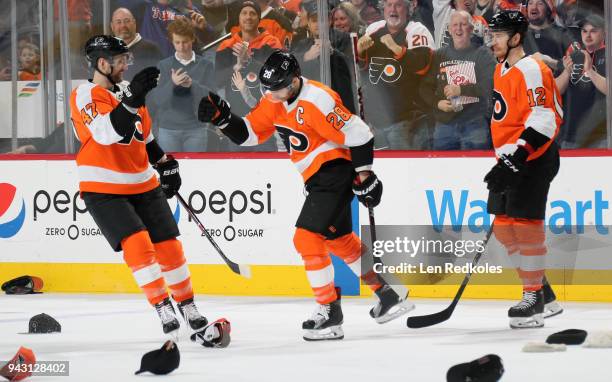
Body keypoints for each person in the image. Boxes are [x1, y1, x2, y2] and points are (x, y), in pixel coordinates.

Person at [198, 50, 414, 341]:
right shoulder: (274, 100)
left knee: (306, 238)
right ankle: (388, 293)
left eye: (277, 89)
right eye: (268, 90)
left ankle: (329, 312)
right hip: (318, 180)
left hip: (334, 172)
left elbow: (360, 133)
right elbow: (249, 133)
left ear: (294, 80)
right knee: (339, 240)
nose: (271, 95)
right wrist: (223, 118)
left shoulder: (318, 100)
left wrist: (365, 174)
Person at [70, 35, 229, 346]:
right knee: (139, 244)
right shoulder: (85, 95)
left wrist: (165, 163)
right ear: (102, 64)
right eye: (120, 60)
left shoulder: (128, 93)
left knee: (169, 246)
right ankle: (162, 306)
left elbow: (144, 136)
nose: (126, 64)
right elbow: (105, 133)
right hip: (103, 188)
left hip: (142, 182)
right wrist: (132, 99)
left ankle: (187, 305)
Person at [484, 11, 563, 329]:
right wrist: (505, 160)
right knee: (503, 227)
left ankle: (533, 301)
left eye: (499, 35)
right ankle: (544, 292)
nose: (493, 41)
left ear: (516, 38)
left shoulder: (532, 69)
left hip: (534, 157)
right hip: (511, 159)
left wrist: (516, 156)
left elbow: (543, 119)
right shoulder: (500, 69)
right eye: (492, 35)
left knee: (526, 225)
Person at [356, 0, 434, 150]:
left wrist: (396, 49)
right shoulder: (373, 29)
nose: (393, 9)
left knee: (408, 169)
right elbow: (362, 71)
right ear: (383, 8)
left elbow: (424, 65)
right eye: (389, 4)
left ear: (407, 9)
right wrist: (360, 53)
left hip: (408, 121)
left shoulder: (417, 30)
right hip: (376, 121)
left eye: (398, 5)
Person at [421, 10, 495, 150]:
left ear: (471, 29)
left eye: (463, 24)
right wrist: (437, 103)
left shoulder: (483, 54)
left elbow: (490, 85)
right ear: (449, 29)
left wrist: (461, 89)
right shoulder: (439, 55)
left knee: (476, 170)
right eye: (455, 25)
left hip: (475, 123)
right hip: (444, 126)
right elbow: (424, 87)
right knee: (442, 170)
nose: (458, 28)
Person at [149, 17, 215, 152]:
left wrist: (192, 85)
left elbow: (212, 98)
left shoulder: (206, 65)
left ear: (192, 39)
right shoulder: (164, 65)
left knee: (196, 171)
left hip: (196, 128)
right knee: (170, 171)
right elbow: (157, 100)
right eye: (177, 42)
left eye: (185, 42)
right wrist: (172, 83)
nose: (181, 47)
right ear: (172, 42)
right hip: (168, 129)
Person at [555, 13, 607, 148]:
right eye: (584, 31)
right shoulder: (572, 55)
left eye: (593, 31)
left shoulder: (609, 55)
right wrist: (566, 72)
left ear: (604, 33)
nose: (588, 35)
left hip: (601, 136)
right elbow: (555, 91)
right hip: (570, 135)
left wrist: (590, 70)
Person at [523, 0, 575, 76]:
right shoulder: (517, 34)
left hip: (555, 85)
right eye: (530, 3)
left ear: (548, 10)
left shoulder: (563, 34)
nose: (534, 7)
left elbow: (577, 67)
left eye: (540, 4)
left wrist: (550, 61)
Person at [110, 7, 163, 81]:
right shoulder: (106, 51)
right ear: (112, 27)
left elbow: (161, 83)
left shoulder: (152, 49)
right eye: (118, 22)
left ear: (134, 23)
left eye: (127, 21)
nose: (123, 26)